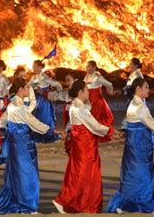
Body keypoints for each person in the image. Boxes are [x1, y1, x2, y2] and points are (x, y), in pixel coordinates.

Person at [107, 78, 154, 214]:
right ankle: (146, 206)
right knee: (144, 175)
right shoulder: (139, 107)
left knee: (132, 176)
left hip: (134, 145)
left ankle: (124, 204)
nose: (148, 89)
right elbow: (153, 125)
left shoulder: (135, 104)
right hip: (139, 147)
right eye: (146, 87)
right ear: (138, 89)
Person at [0, 78, 51, 214]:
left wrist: (3, 128)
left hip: (17, 144)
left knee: (17, 174)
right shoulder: (18, 107)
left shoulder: (13, 104)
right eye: (26, 87)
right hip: (23, 146)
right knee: (27, 175)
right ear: (20, 90)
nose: (28, 89)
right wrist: (53, 133)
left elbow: (3, 119)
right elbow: (34, 123)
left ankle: (20, 202)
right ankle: (27, 206)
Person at [53, 80, 110, 214]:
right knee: (85, 175)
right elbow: (94, 126)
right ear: (80, 92)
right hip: (85, 147)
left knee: (81, 174)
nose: (89, 92)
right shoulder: (79, 108)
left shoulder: (78, 106)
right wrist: (110, 131)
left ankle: (80, 202)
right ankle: (66, 201)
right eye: (86, 90)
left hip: (85, 145)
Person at [0, 66, 36, 166]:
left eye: (24, 76)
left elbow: (33, 102)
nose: (23, 78)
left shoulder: (28, 88)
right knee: (9, 135)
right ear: (15, 75)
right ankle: (5, 156)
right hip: (12, 114)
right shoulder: (9, 88)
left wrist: (26, 112)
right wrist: (3, 107)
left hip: (24, 114)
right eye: (20, 76)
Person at [29, 60, 62, 142]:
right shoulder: (33, 77)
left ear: (40, 67)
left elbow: (58, 85)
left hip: (44, 101)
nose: (33, 68)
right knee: (37, 118)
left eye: (35, 66)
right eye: (33, 66)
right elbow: (27, 86)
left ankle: (48, 136)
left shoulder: (45, 77)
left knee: (45, 118)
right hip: (36, 100)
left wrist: (52, 93)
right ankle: (38, 136)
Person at [84, 60, 115, 142]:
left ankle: (98, 135)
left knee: (96, 118)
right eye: (87, 66)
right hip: (88, 100)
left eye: (89, 66)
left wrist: (110, 92)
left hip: (97, 101)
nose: (87, 68)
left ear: (94, 67)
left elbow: (109, 84)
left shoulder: (97, 76)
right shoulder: (87, 76)